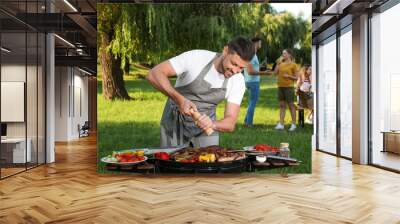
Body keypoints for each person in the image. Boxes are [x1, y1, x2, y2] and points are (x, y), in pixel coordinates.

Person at [146, 37, 254, 147]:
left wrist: (212, 124)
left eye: (241, 68)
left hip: (206, 127)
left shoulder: (238, 80)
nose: (235, 71)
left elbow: (230, 123)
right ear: (225, 51)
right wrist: (179, 100)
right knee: (173, 162)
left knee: (210, 161)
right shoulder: (196, 58)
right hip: (175, 123)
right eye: (234, 64)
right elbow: (154, 74)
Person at [243, 37, 270, 127]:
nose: (261, 45)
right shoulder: (250, 55)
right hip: (252, 82)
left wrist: (261, 65)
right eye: (260, 43)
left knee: (251, 102)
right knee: (253, 102)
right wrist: (264, 73)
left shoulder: (253, 55)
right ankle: (249, 123)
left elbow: (253, 68)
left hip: (250, 81)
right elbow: (250, 71)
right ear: (256, 43)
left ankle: (246, 121)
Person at [274, 49, 300, 131]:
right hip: (280, 87)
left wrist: (288, 76)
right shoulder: (280, 64)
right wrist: (277, 64)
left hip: (289, 87)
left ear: (289, 55)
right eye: (282, 53)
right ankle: (281, 124)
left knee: (291, 106)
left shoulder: (293, 65)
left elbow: (297, 78)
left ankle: (293, 124)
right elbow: (275, 73)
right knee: (282, 106)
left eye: (284, 53)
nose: (283, 55)